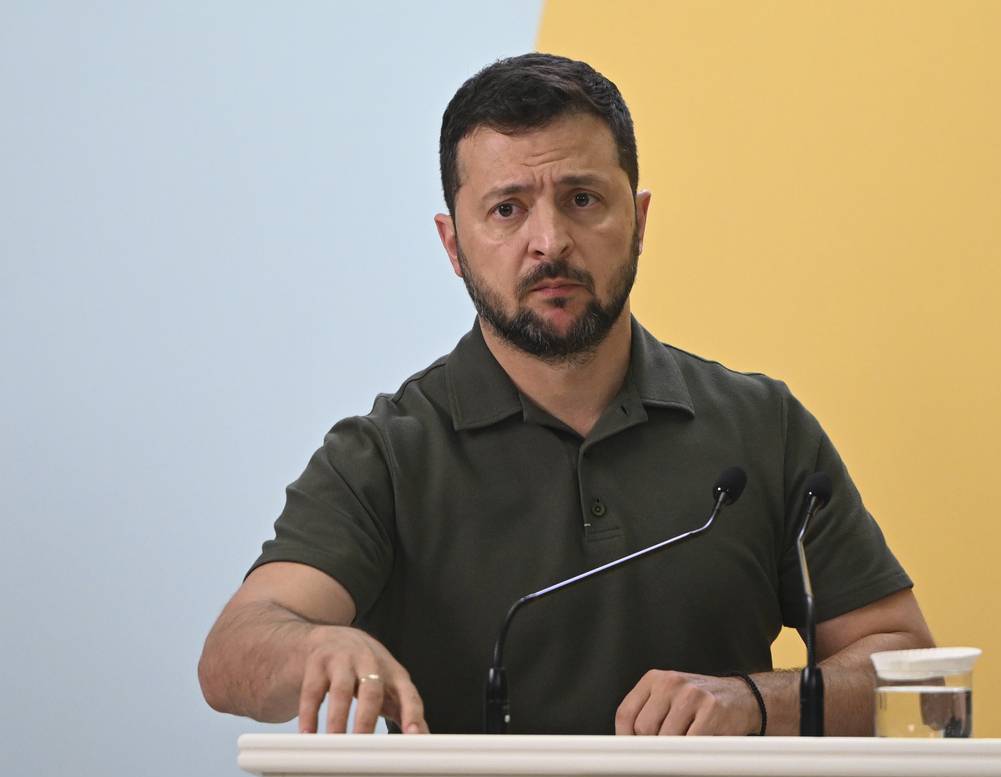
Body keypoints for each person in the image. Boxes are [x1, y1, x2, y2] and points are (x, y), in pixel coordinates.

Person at [198, 53, 934, 737]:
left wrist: (753, 702)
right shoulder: (387, 454)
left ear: (639, 222)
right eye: (507, 209)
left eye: (583, 199)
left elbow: (908, 672)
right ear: (453, 244)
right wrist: (318, 650)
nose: (550, 241)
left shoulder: (763, 428)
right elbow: (234, 652)